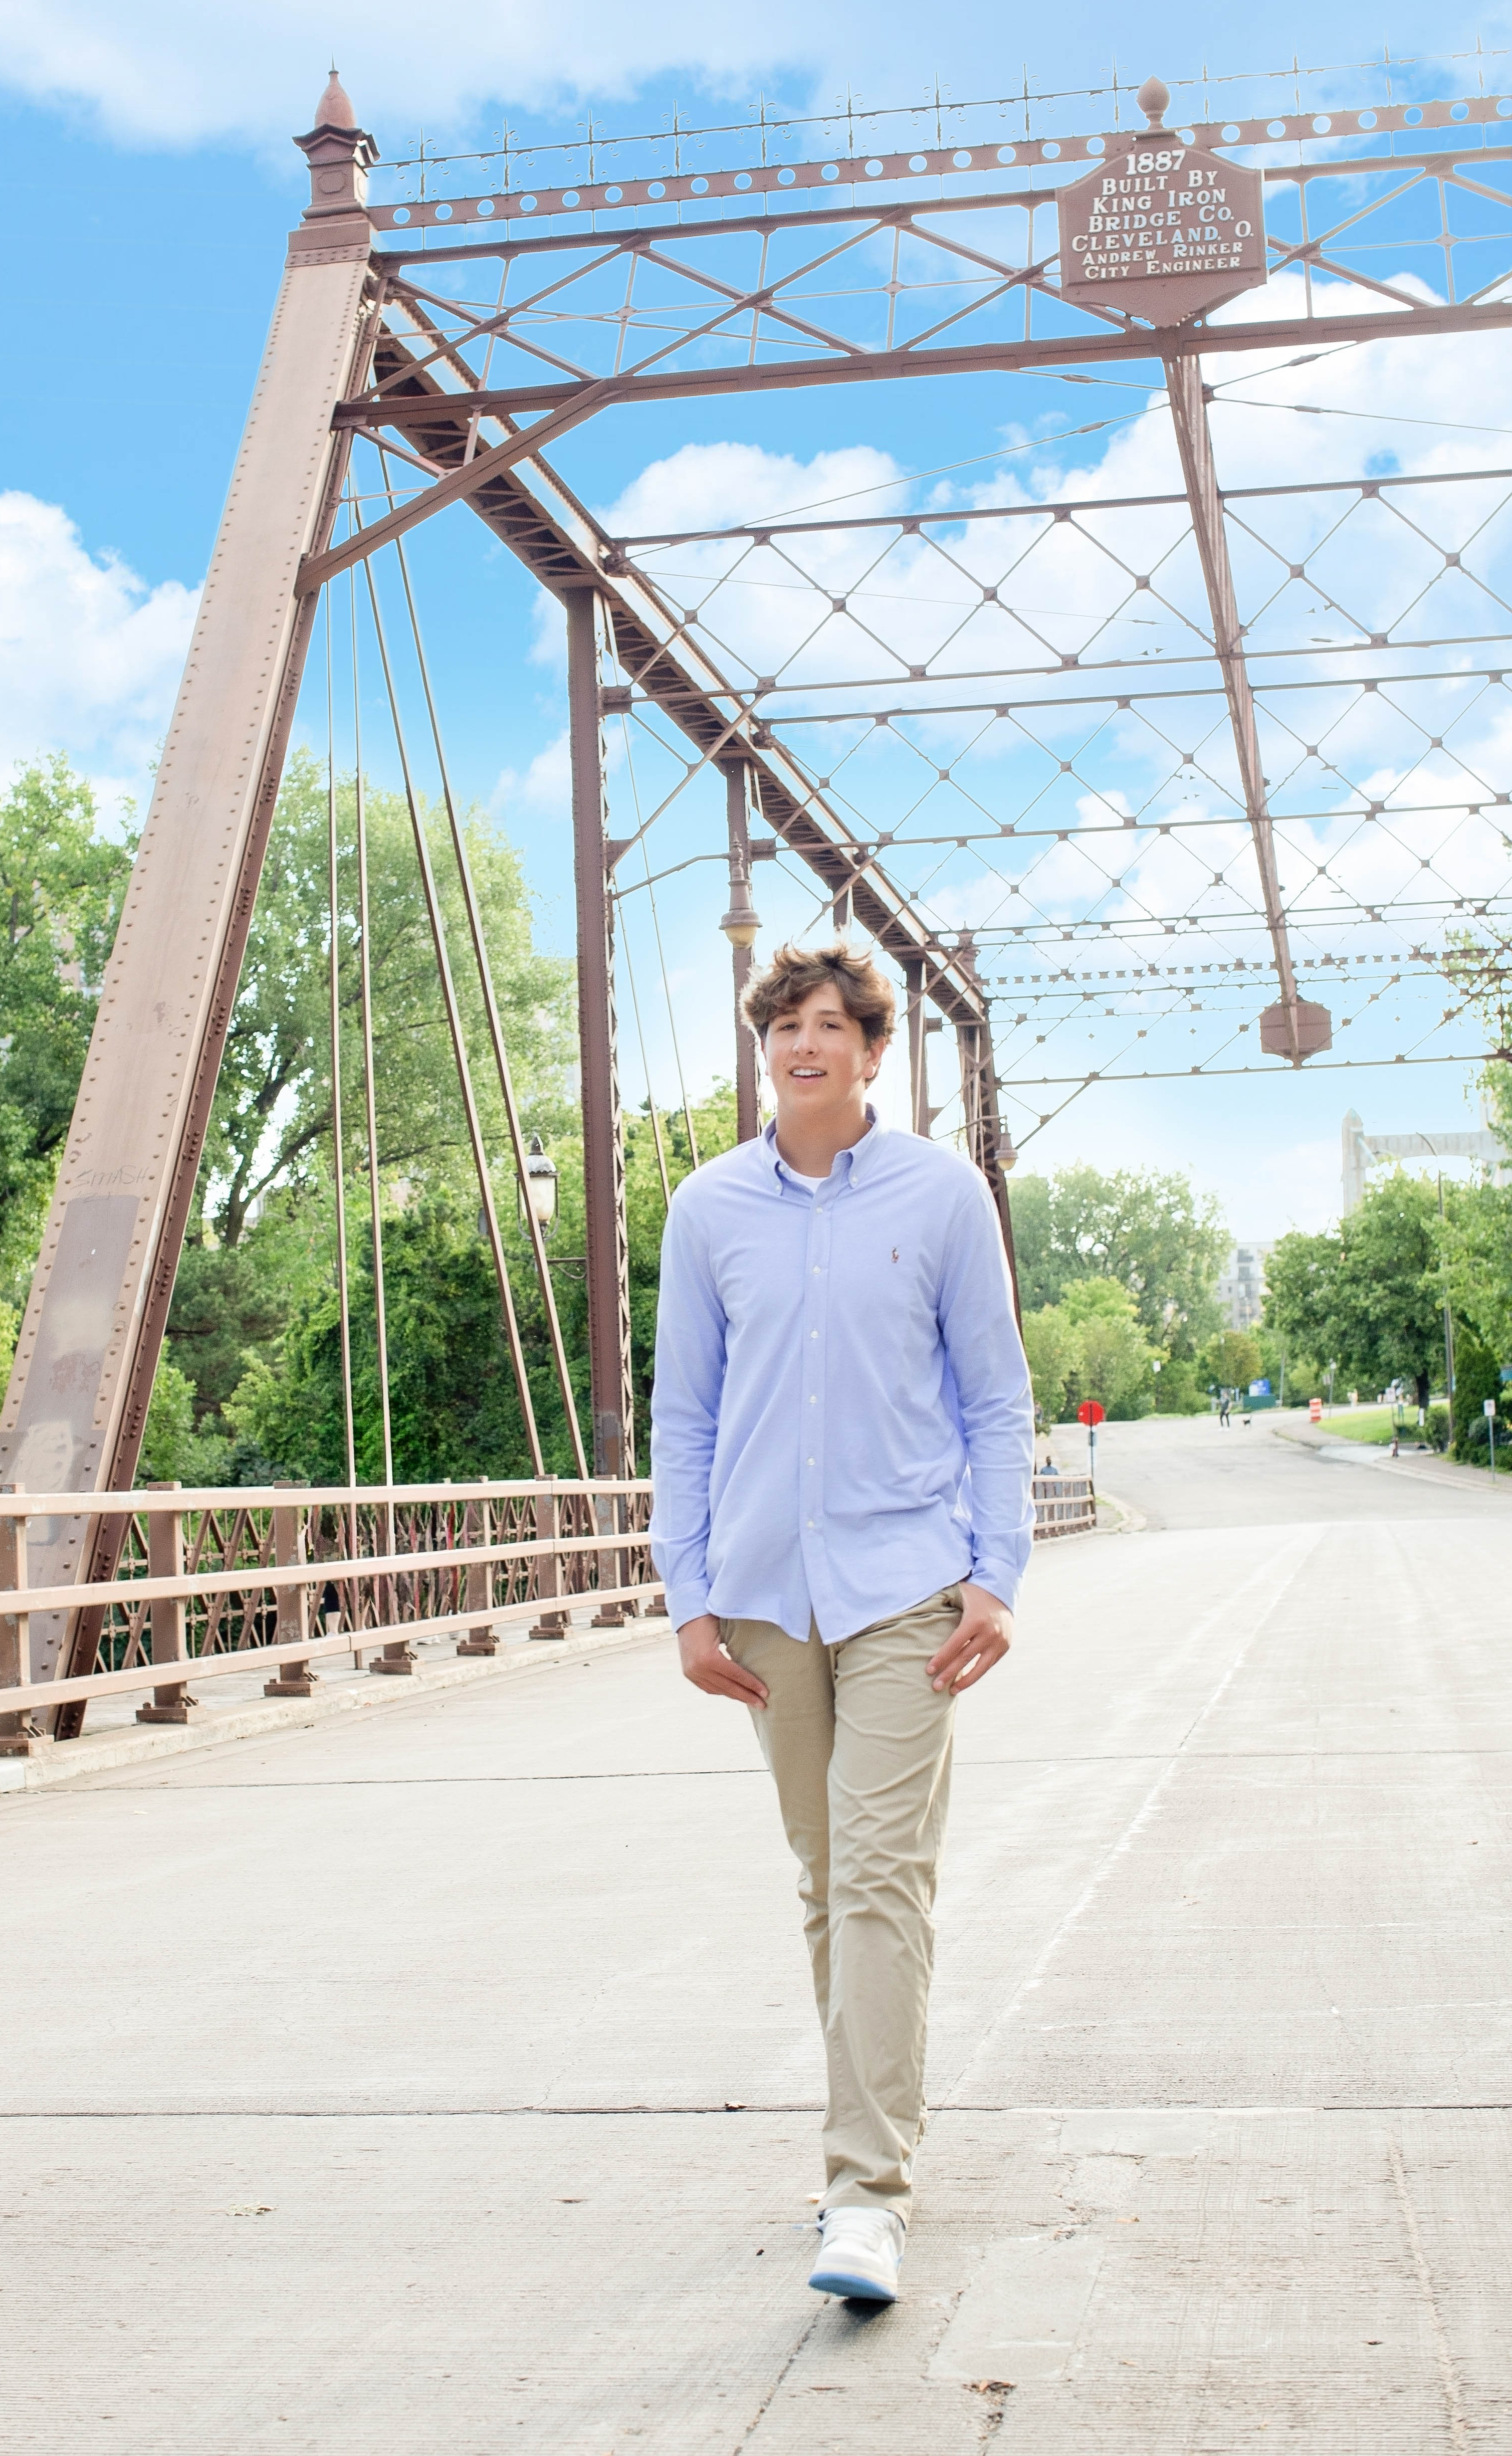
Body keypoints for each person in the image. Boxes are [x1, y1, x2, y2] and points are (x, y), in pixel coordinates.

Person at [650, 941, 1034, 2307]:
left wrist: (997, 1572)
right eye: (785, 1027)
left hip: (902, 1586)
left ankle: (866, 2194)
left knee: (877, 1880)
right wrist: (687, 1594)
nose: (805, 1045)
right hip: (763, 1595)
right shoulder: (707, 1208)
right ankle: (864, 2143)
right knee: (827, 1880)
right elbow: (684, 1412)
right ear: (765, 1050)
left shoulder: (942, 1195)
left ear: (875, 1050)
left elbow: (995, 1394)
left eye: (831, 1025)